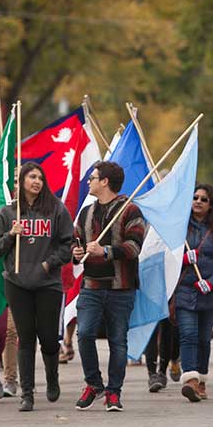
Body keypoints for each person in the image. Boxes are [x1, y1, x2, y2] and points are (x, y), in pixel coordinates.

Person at [0, 161, 74, 412]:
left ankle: (52, 379)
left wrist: (50, 264)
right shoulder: (7, 213)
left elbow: (68, 245)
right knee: (25, 339)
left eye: (40, 177)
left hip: (48, 283)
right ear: (22, 181)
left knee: (48, 338)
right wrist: (11, 235)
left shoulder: (56, 209)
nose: (37, 181)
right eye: (32, 177)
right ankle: (27, 393)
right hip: (17, 282)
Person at [71, 161, 146, 412]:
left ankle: (114, 392)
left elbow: (134, 247)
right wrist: (77, 251)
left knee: (118, 341)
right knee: (84, 335)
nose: (89, 181)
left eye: (93, 177)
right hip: (91, 285)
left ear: (105, 182)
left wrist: (105, 251)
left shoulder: (130, 210)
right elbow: (75, 243)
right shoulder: (86, 213)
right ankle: (93, 383)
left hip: (121, 287)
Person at [177, 184, 213, 402]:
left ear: (211, 204)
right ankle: (190, 379)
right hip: (185, 289)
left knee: (203, 338)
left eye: (203, 199)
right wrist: (183, 259)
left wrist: (211, 283)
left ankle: (201, 380)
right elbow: (167, 255)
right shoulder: (180, 227)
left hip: (209, 292)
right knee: (188, 334)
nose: (198, 201)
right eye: (195, 197)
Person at [144, 318, 179, 392]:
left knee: (170, 330)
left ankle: (163, 371)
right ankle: (152, 374)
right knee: (151, 330)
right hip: (151, 307)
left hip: (168, 307)